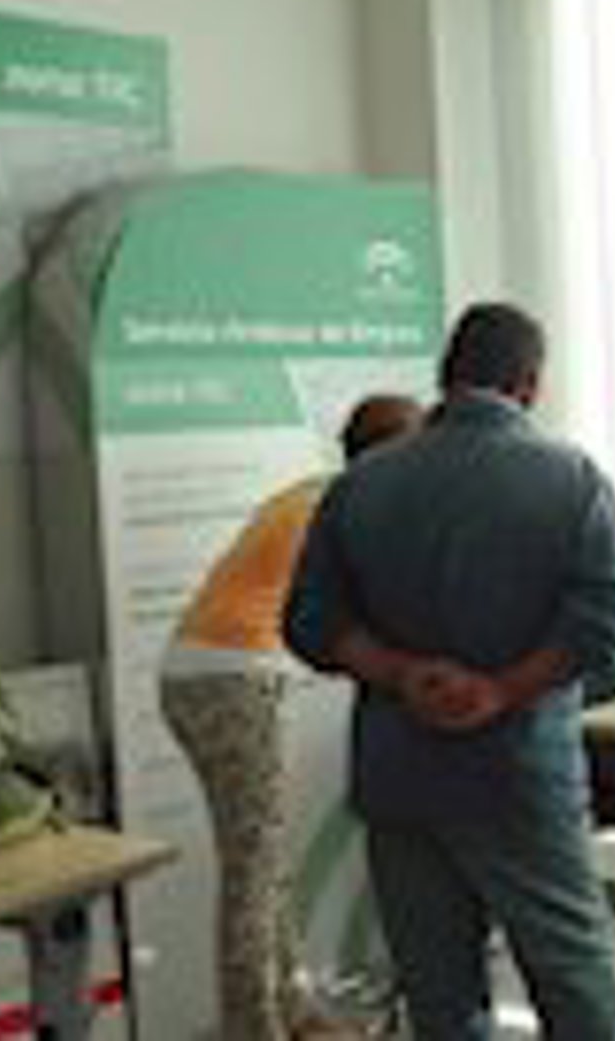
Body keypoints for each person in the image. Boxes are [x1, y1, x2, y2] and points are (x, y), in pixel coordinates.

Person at [284, 302, 615, 1041]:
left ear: (445, 375)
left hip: (400, 781)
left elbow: (309, 622)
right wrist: (501, 690)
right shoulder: (571, 478)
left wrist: (401, 674)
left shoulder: (362, 483)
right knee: (574, 984)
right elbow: (612, 617)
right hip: (518, 778)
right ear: (530, 384)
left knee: (441, 999)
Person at [160, 392, 424, 1041]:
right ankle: (253, 1027)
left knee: (266, 852)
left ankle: (295, 1008)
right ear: (390, 457)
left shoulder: (316, 495)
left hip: (212, 672)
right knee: (252, 868)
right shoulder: (343, 512)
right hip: (229, 679)